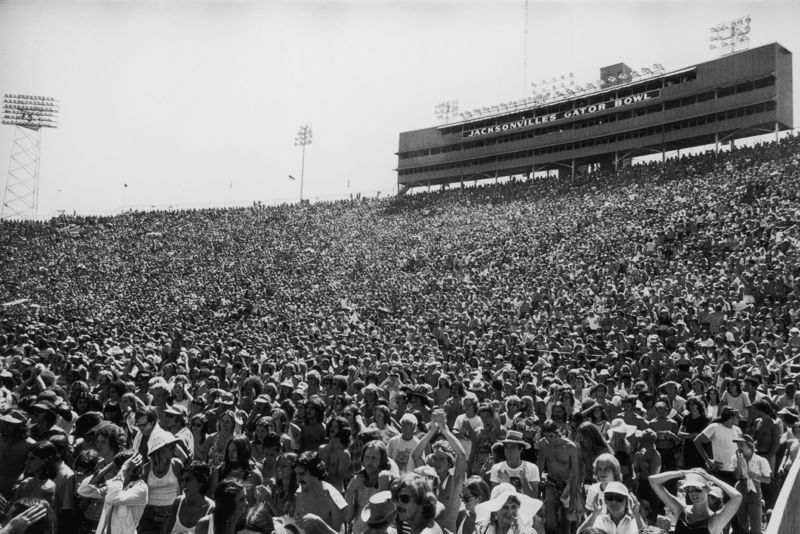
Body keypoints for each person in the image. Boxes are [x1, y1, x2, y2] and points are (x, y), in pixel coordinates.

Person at [649, 470, 741, 534]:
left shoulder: (715, 520)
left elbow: (737, 497)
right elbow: (653, 480)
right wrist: (685, 472)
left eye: (698, 489)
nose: (693, 494)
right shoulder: (681, 511)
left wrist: (711, 478)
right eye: (689, 489)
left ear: (707, 490)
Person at [85, 451, 148, 534]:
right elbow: (85, 490)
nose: (115, 470)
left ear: (130, 468)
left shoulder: (140, 489)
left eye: (118, 467)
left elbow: (112, 498)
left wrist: (123, 471)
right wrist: (109, 466)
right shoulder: (115, 484)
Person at [537, 420, 581, 534]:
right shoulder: (543, 444)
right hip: (551, 483)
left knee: (566, 522)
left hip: (567, 485)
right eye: (546, 436)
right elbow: (539, 466)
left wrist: (572, 499)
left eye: (551, 436)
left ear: (558, 433)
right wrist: (536, 486)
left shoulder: (570, 447)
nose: (549, 439)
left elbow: (576, 474)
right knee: (550, 522)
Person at [140, 426, 184, 534]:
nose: (175, 448)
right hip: (148, 515)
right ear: (160, 449)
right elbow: (142, 494)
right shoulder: (146, 469)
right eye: (171, 446)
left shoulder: (176, 465)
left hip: (171, 513)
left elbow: (183, 489)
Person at [293, 451, 347, 532]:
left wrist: (318, 522)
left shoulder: (333, 497)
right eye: (296, 474)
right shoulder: (299, 493)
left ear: (315, 472)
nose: (298, 478)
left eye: (302, 474)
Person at [731, 435, 770, 534]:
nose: (739, 447)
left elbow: (768, 480)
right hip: (741, 488)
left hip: (755, 489)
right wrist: (739, 461)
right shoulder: (735, 458)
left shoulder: (761, 460)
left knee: (756, 526)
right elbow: (737, 476)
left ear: (750, 446)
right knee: (742, 523)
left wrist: (755, 476)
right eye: (738, 445)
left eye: (742, 445)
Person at [693, 406, 742, 486]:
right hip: (720, 471)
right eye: (737, 417)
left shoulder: (738, 429)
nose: (739, 419)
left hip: (736, 471)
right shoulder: (715, 427)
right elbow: (697, 441)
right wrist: (708, 461)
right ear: (730, 417)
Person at [164, 462, 215, 534]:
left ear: (201, 482)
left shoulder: (211, 509)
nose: (183, 485)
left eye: (188, 480)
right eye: (182, 480)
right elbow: (167, 531)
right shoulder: (178, 502)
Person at [473, 482, 543, 534]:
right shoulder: (482, 531)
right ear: (494, 510)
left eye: (513, 507)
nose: (510, 512)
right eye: (505, 507)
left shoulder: (528, 532)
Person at [578, 481, 644, 534]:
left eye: (619, 498)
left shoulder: (634, 522)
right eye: (610, 498)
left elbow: (646, 532)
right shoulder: (598, 520)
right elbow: (580, 533)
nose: (614, 502)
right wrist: (595, 513)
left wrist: (637, 515)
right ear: (605, 500)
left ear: (626, 502)